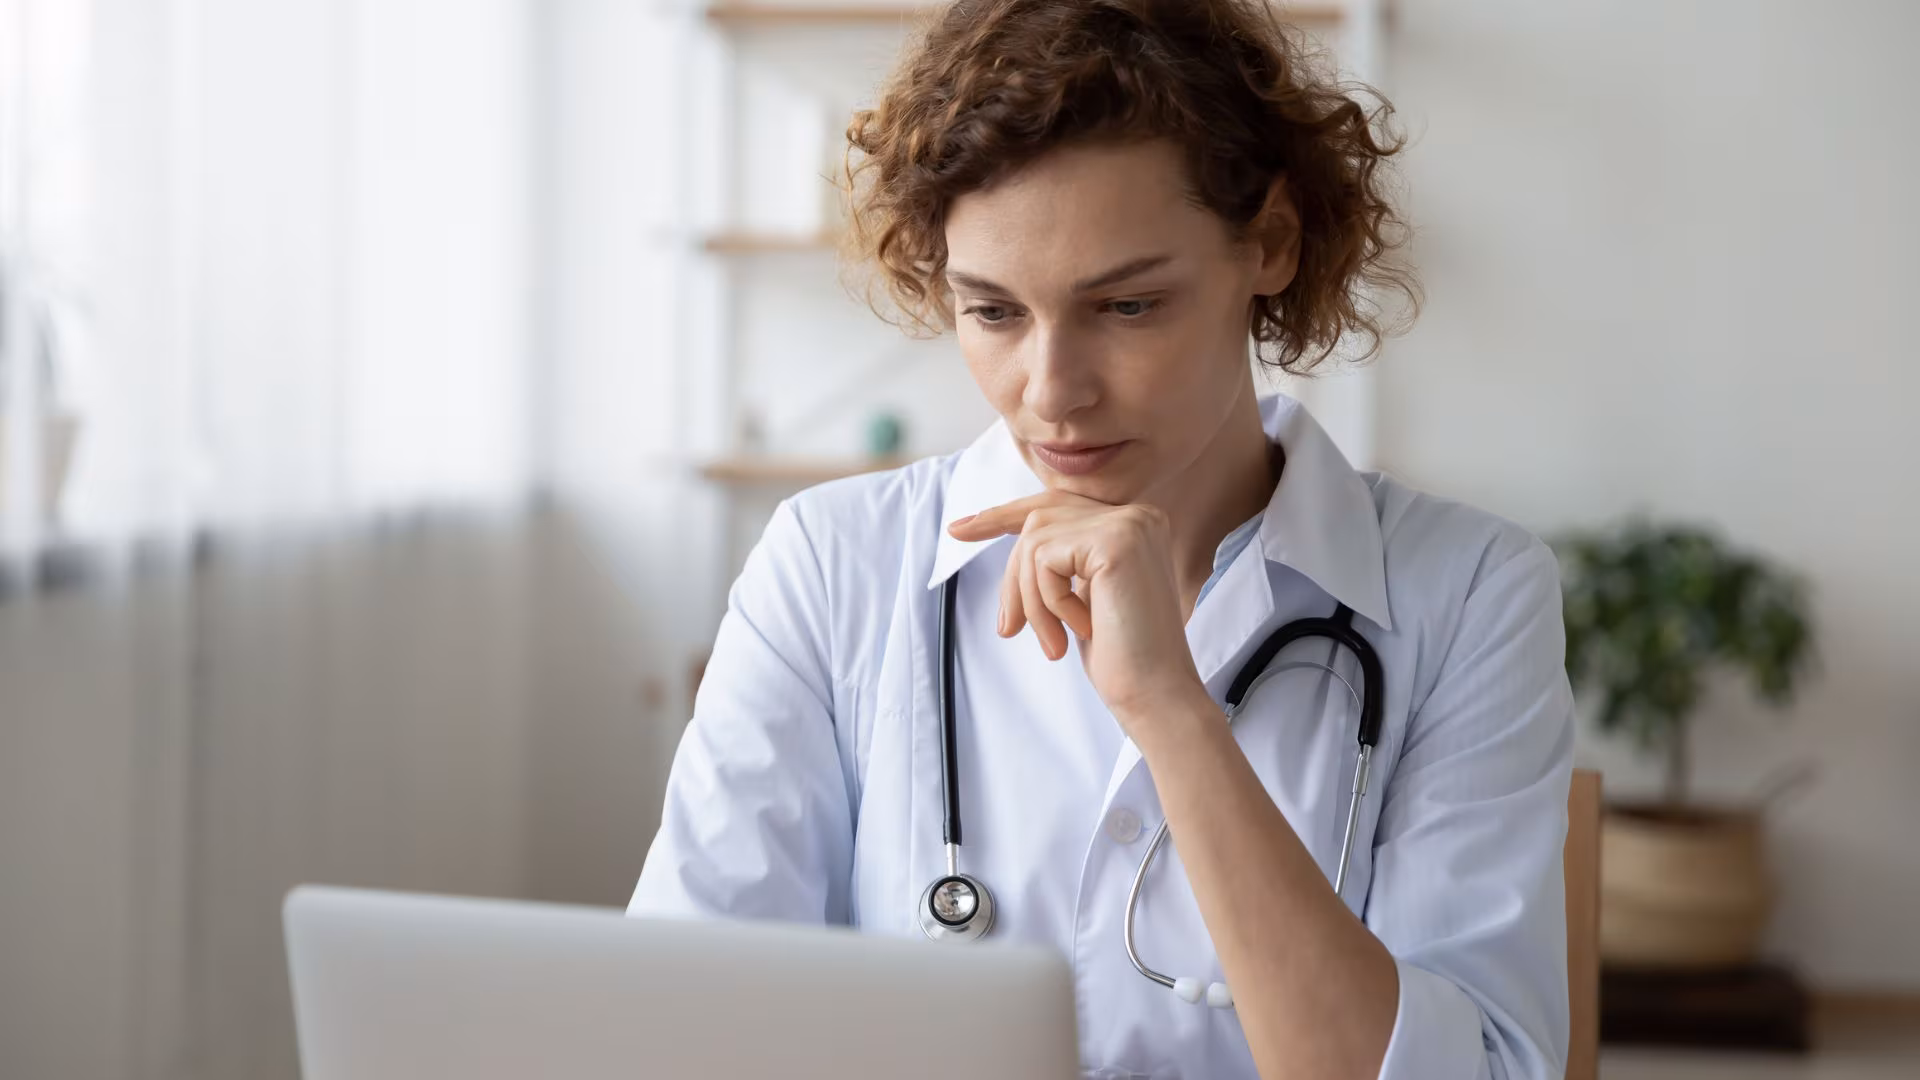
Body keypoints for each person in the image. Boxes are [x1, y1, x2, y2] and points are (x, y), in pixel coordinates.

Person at [631, 1, 1573, 1077]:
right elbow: (682, 1024)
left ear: (1267, 243)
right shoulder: (832, 566)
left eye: (1125, 308)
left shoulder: (1469, 594)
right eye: (992, 313)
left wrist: (1172, 714)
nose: (1052, 393)